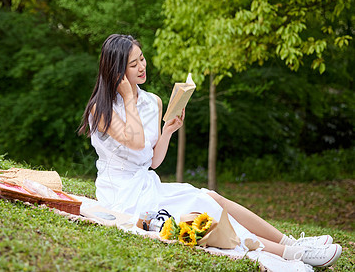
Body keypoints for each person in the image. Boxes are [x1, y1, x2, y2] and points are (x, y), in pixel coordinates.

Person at [78, 34, 342, 267]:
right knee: (203, 209)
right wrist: (126, 96)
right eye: (133, 64)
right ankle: (292, 253)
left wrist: (168, 130)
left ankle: (291, 240)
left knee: (212, 196)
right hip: (122, 196)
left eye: (142, 59)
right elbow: (135, 142)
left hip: (148, 184)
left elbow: (153, 161)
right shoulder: (100, 110)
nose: (142, 67)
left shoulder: (153, 102)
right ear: (116, 72)